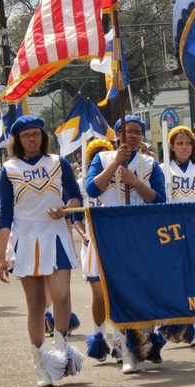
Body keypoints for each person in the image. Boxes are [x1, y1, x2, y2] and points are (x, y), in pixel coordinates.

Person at [0, 115, 84, 387]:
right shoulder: (8, 169)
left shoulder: (59, 162)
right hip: (24, 237)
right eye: (26, 135)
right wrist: (2, 254)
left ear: (43, 136)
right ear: (18, 140)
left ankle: (61, 348)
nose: (32, 139)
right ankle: (40, 363)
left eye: (36, 134)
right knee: (35, 304)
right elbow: (5, 214)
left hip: (55, 234)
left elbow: (75, 197)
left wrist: (65, 209)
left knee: (61, 294)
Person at [86, 114, 167, 374]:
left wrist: (134, 181)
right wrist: (115, 166)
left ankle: (142, 339)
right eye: (127, 131)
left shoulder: (150, 164)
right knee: (115, 293)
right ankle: (126, 348)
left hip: (140, 233)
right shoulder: (102, 159)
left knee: (141, 289)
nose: (132, 136)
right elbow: (92, 189)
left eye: (137, 132)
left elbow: (159, 200)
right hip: (109, 233)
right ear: (118, 134)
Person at [157, 125, 195, 347]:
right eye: (179, 143)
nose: (184, 147)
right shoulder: (162, 168)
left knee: (192, 278)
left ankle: (190, 328)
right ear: (171, 146)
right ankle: (168, 322)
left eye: (188, 143)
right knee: (172, 278)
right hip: (170, 230)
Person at [78, 138, 116, 363]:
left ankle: (120, 340)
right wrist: (82, 233)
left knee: (115, 293)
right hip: (91, 242)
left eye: (104, 153)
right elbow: (75, 216)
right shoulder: (84, 181)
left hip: (112, 239)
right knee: (99, 295)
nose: (99, 158)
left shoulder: (118, 178)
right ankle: (99, 337)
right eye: (95, 155)